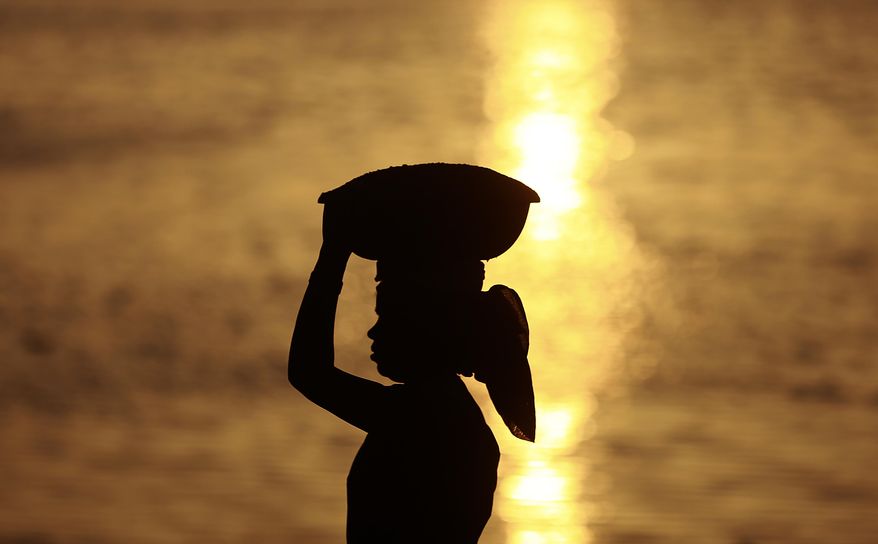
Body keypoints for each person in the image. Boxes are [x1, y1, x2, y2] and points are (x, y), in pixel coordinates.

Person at [289, 199, 535, 543]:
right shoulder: (454, 415)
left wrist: (334, 254)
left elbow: (309, 372)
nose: (372, 332)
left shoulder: (417, 414)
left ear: (425, 327)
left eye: (387, 316)